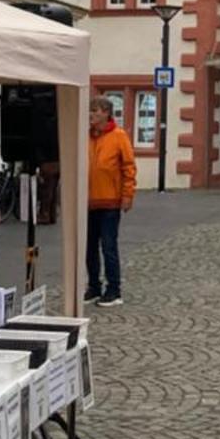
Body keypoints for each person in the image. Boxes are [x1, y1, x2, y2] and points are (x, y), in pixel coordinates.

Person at [86, 95, 136, 307]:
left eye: (96, 110)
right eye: (91, 110)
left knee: (108, 246)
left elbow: (128, 167)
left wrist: (127, 195)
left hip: (110, 201)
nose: (92, 114)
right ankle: (94, 286)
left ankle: (114, 289)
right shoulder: (86, 136)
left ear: (106, 113)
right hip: (88, 201)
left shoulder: (118, 136)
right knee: (89, 247)